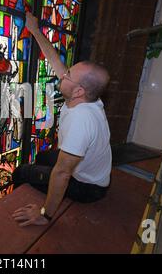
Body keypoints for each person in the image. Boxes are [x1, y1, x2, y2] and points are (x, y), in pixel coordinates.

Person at [12, 12, 112, 227]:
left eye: (68, 75)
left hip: (87, 186)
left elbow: (63, 173)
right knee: (41, 156)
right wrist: (35, 30)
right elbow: (55, 61)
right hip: (88, 168)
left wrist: (44, 215)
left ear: (78, 91)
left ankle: (19, 214)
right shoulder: (88, 97)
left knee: (21, 173)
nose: (63, 74)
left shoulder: (81, 120)